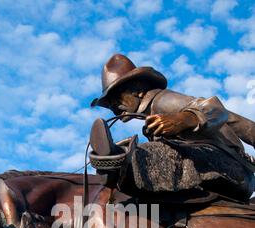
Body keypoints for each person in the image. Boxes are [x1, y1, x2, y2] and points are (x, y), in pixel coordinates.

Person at [90, 54, 255, 202]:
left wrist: (185, 118)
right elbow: (236, 121)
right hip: (229, 175)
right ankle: (120, 160)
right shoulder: (151, 116)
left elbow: (215, 108)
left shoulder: (163, 100)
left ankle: (118, 160)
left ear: (138, 90)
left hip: (231, 170)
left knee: (150, 154)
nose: (114, 106)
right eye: (110, 103)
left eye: (116, 98)